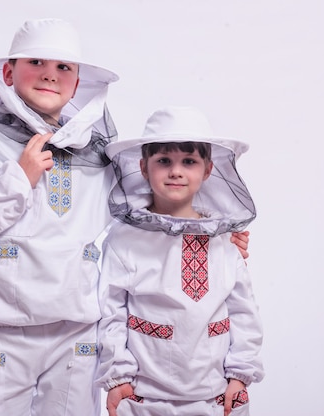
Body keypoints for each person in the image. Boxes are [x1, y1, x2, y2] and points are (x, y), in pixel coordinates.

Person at [0, 19, 249, 416]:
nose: (50, 73)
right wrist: (17, 180)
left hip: (79, 335)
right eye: (37, 61)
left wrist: (210, 237)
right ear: (8, 72)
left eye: (64, 67)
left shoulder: (93, 151)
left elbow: (154, 208)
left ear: (78, 83)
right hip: (2, 335)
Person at [95, 106, 264, 416]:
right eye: (163, 161)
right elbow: (110, 310)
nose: (176, 171)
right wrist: (117, 375)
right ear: (144, 168)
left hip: (215, 396)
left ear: (208, 170)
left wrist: (240, 375)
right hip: (143, 396)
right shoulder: (124, 239)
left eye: (189, 161)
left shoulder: (225, 239)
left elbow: (244, 310)